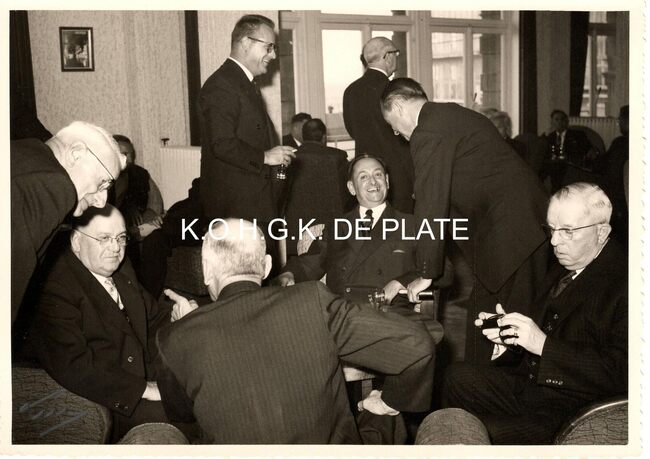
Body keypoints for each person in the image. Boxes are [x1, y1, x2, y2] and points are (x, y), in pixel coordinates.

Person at [156, 218, 435, 444]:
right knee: (387, 416)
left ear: (206, 270)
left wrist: (188, 327)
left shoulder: (174, 338)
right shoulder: (312, 300)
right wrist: (387, 402)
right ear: (266, 266)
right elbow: (417, 346)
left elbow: (184, 416)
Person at [441, 183, 627, 444]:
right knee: (455, 378)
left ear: (602, 231)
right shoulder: (565, 263)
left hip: (576, 411)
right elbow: (543, 333)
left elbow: (621, 373)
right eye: (551, 229)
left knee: (473, 431)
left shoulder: (627, 282)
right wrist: (511, 338)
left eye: (568, 231)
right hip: (534, 388)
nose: (554, 241)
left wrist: (542, 344)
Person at [380, 78, 549, 364]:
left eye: (391, 124)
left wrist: (426, 273)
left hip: (512, 234)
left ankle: (494, 388)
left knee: (509, 330)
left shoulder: (427, 130)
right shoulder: (450, 114)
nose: (395, 132)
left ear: (397, 106)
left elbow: (430, 203)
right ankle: (480, 385)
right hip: (516, 228)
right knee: (488, 322)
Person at [29, 205, 178, 442]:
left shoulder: (120, 267)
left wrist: (181, 318)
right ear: (77, 242)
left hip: (145, 374)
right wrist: (145, 389)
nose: (116, 248)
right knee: (185, 416)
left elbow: (153, 317)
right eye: (104, 238)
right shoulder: (55, 286)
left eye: (121, 238)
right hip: (109, 398)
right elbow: (74, 365)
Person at [277, 154, 447, 336]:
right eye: (363, 176)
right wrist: (288, 274)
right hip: (342, 317)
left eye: (378, 174)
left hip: (389, 318)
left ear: (387, 181)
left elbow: (444, 270)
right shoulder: (337, 226)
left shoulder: (412, 224)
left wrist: (400, 282)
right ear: (352, 188)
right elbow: (310, 263)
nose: (373, 181)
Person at [11, 120, 126, 324]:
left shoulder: (21, 152)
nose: (101, 202)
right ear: (76, 154)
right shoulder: (55, 184)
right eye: (103, 183)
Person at [198, 14, 295, 224]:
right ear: (245, 43)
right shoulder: (222, 85)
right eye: (268, 47)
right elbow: (222, 143)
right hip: (238, 207)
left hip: (252, 202)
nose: (273, 55)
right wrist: (265, 157)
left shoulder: (242, 82)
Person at [343, 37, 414, 213]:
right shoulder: (395, 90)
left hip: (365, 174)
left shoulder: (351, 90)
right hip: (398, 176)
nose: (396, 57)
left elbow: (352, 131)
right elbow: (409, 134)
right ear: (387, 56)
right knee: (401, 224)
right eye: (396, 53)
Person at [283, 118, 352, 255]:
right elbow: (347, 196)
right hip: (330, 233)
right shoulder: (338, 157)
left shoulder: (290, 158)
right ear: (324, 137)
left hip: (296, 233)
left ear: (303, 137)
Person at [597, 104, 628, 247]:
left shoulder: (621, 143)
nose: (619, 123)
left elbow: (603, 166)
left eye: (620, 119)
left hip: (618, 198)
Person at [540, 109, 594, 192]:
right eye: (556, 119)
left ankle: (556, 192)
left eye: (562, 119)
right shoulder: (550, 137)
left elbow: (589, 149)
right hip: (554, 164)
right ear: (552, 122)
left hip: (571, 164)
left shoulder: (577, 135)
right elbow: (547, 154)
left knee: (558, 169)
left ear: (567, 122)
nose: (560, 122)